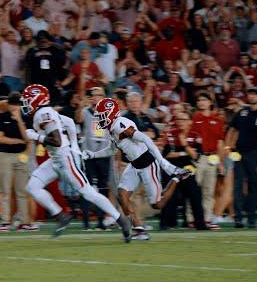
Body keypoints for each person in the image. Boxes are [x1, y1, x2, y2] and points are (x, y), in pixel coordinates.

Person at [20, 84, 132, 241]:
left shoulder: (43, 113)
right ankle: (61, 216)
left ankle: (121, 220)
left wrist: (36, 137)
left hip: (65, 159)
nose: (25, 104)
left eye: (27, 100)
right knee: (32, 186)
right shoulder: (47, 112)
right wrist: (74, 145)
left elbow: (57, 141)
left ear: (36, 99)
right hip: (56, 160)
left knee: (88, 192)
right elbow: (70, 123)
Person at [82, 97, 193, 241]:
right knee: (122, 195)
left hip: (147, 164)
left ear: (111, 114)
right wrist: (93, 154)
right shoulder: (112, 128)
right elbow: (112, 150)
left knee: (157, 204)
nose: (100, 120)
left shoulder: (121, 124)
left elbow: (146, 139)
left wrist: (163, 163)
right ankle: (138, 229)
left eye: (102, 116)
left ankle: (176, 178)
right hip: (133, 165)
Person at [0, 92, 35, 232]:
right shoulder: (1, 117)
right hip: (4, 155)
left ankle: (24, 221)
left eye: (17, 104)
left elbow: (28, 138)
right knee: (5, 190)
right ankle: (5, 221)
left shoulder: (26, 118)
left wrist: (19, 121)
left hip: (21, 155)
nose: (15, 107)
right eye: (13, 104)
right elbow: (0, 138)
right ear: (9, 104)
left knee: (22, 190)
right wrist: (18, 141)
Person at [225, 87, 257, 229]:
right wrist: (228, 147)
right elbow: (232, 129)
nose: (252, 96)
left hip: (255, 154)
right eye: (250, 94)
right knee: (238, 186)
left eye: (255, 94)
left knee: (254, 187)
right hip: (239, 154)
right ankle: (238, 219)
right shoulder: (242, 112)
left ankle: (252, 218)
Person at [75, 87, 113, 230]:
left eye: (100, 95)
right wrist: (80, 105)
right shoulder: (85, 111)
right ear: (91, 98)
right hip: (89, 155)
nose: (97, 97)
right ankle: (86, 222)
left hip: (103, 154)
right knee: (87, 187)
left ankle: (101, 222)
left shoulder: (108, 113)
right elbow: (78, 119)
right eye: (95, 95)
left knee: (103, 188)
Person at [190, 92, 227, 224]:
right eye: (199, 100)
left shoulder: (218, 120)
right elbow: (190, 139)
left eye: (204, 100)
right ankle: (191, 219)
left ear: (210, 102)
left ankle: (206, 219)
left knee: (209, 191)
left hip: (212, 158)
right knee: (194, 190)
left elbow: (220, 143)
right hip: (199, 158)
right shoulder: (194, 118)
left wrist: (221, 162)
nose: (201, 102)